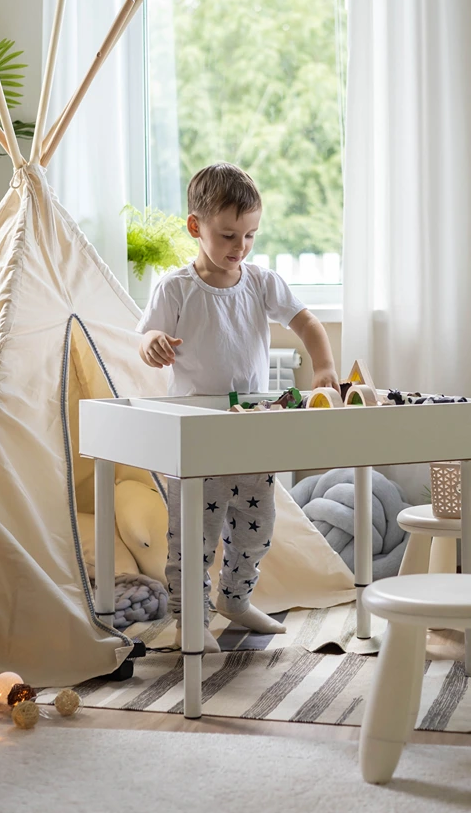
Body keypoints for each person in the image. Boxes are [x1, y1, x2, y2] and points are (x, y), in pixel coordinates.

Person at [137, 162, 340, 652]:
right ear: (195, 227)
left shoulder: (260, 282)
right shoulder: (175, 287)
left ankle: (236, 598)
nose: (240, 247)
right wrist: (155, 344)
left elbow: (307, 322)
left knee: (255, 527)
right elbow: (144, 338)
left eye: (250, 235)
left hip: (251, 427)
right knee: (195, 535)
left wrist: (324, 367)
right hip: (196, 433)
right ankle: (191, 618)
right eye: (228, 235)